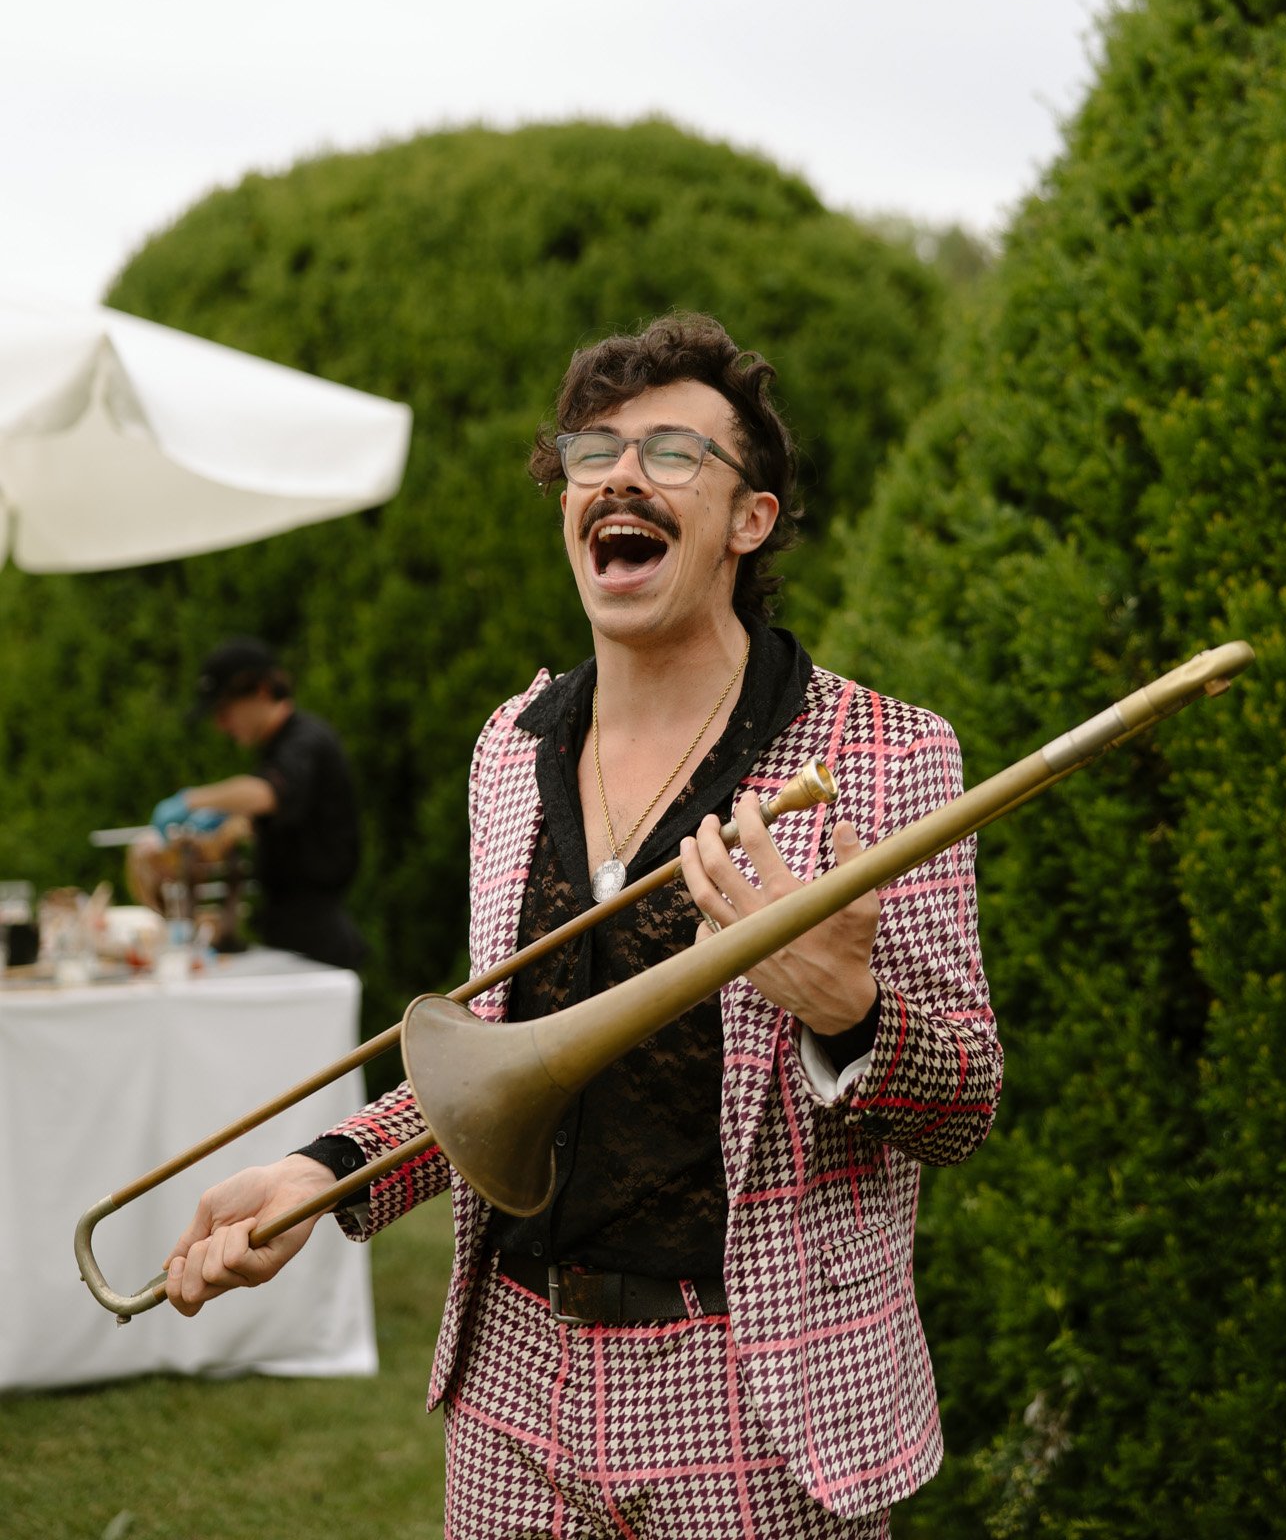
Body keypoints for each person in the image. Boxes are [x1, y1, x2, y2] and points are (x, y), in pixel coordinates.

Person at [164, 315, 1002, 1537]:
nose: (617, 473)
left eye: (671, 452)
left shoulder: (883, 754)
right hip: (511, 1385)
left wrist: (849, 1009)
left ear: (750, 519)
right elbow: (499, 1062)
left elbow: (965, 1096)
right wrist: (322, 1175)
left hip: (750, 1398)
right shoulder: (509, 749)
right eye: (593, 446)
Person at [136, 636, 367, 970]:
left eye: (224, 710)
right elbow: (264, 820)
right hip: (287, 929)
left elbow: (267, 794)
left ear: (260, 691)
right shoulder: (276, 750)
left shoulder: (305, 741)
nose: (221, 725)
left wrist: (192, 800)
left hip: (316, 938)